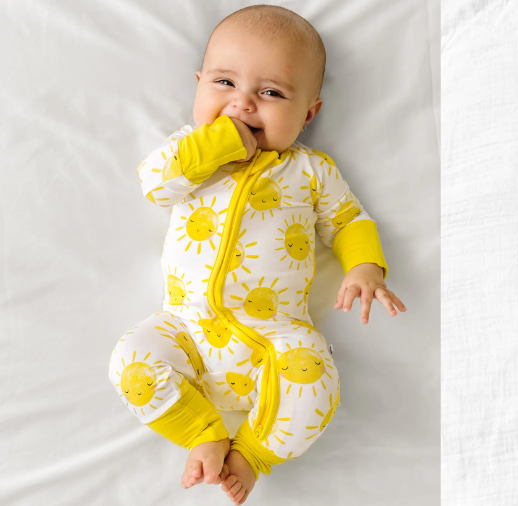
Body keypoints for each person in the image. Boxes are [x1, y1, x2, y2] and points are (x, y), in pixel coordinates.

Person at [108, 5, 405, 504]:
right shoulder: (191, 155)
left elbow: (350, 221)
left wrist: (364, 267)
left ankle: (251, 453)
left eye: (271, 93)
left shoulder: (310, 171)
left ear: (309, 113)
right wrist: (218, 142)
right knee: (130, 361)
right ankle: (201, 433)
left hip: (276, 337)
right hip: (186, 329)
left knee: (317, 385)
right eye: (224, 83)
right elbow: (153, 183)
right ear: (198, 84)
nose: (242, 104)